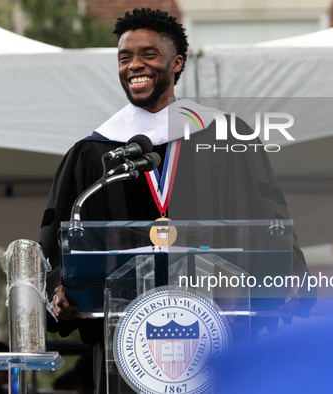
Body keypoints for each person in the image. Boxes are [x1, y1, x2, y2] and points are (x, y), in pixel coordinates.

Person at [39, 8, 315, 393]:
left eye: (149, 54)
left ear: (176, 62)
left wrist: (285, 277)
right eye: (124, 57)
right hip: (128, 353)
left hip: (221, 335)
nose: (135, 64)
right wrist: (58, 290)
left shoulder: (228, 137)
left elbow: (268, 216)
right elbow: (57, 240)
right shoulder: (92, 153)